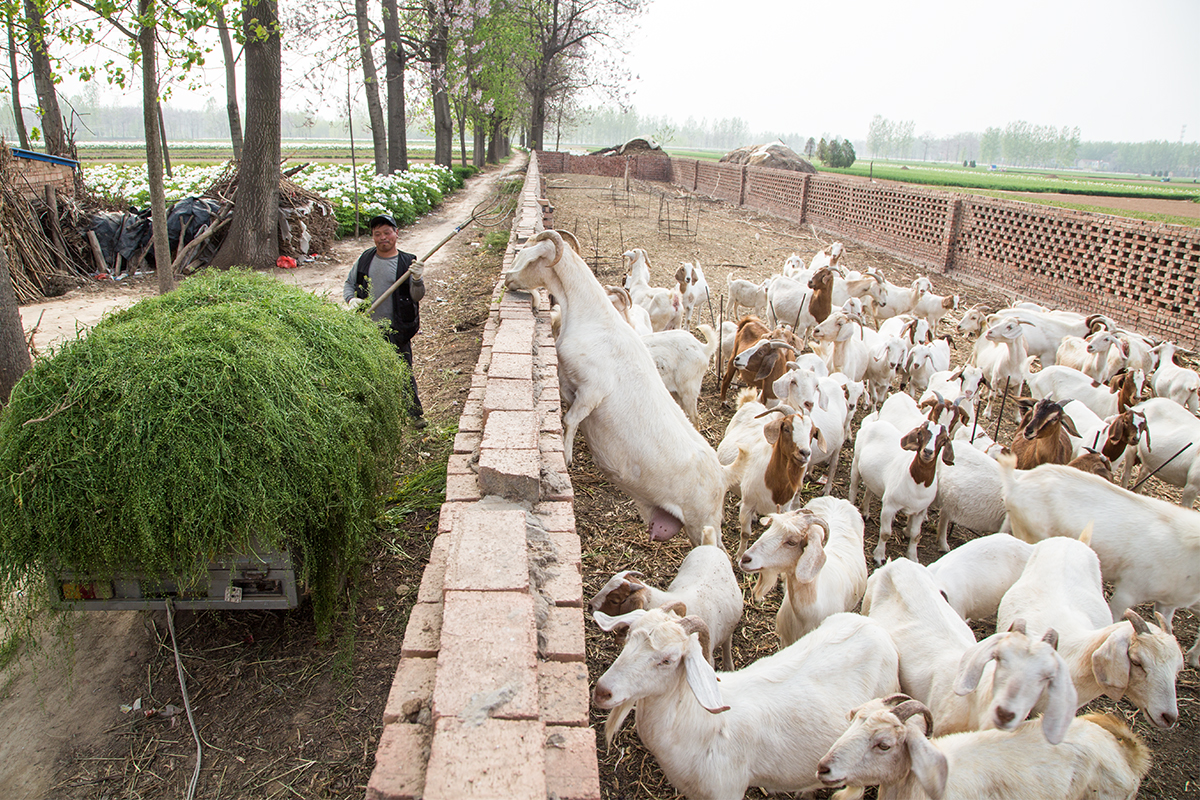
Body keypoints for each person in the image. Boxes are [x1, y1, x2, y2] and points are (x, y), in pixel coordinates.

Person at [344, 213, 427, 428]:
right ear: (373, 237)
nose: (383, 238)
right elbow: (349, 283)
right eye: (377, 234)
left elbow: (417, 296)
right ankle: (376, 418)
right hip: (367, 329)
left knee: (403, 372)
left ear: (396, 234)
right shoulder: (365, 258)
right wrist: (351, 299)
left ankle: (415, 415)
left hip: (398, 328)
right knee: (370, 373)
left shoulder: (407, 262)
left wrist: (417, 279)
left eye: (387, 232)